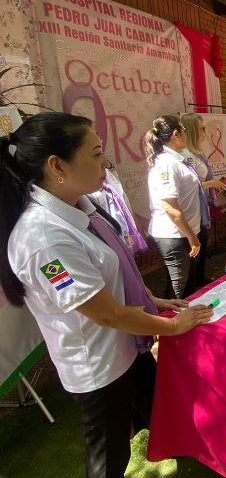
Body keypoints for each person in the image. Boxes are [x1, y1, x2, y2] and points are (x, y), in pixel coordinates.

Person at [0, 112, 213, 478]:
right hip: (100, 367)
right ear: (57, 166)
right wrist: (174, 326)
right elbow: (106, 313)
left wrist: (156, 302)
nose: (106, 162)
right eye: (96, 153)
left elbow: (114, 275)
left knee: (163, 410)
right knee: (108, 456)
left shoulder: (80, 206)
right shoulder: (43, 238)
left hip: (128, 347)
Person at [145, 115, 206, 299]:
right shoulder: (166, 163)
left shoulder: (177, 160)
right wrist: (192, 238)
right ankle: (170, 324)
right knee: (177, 289)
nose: (186, 133)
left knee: (187, 286)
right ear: (175, 135)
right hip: (174, 235)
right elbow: (169, 206)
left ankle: (187, 324)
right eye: (183, 130)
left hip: (185, 233)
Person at [180, 112, 226, 286]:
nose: (205, 132)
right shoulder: (185, 155)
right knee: (194, 251)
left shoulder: (197, 154)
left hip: (200, 208)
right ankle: (192, 288)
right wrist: (210, 183)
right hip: (191, 211)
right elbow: (189, 186)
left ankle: (200, 281)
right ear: (192, 131)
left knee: (202, 246)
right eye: (202, 129)